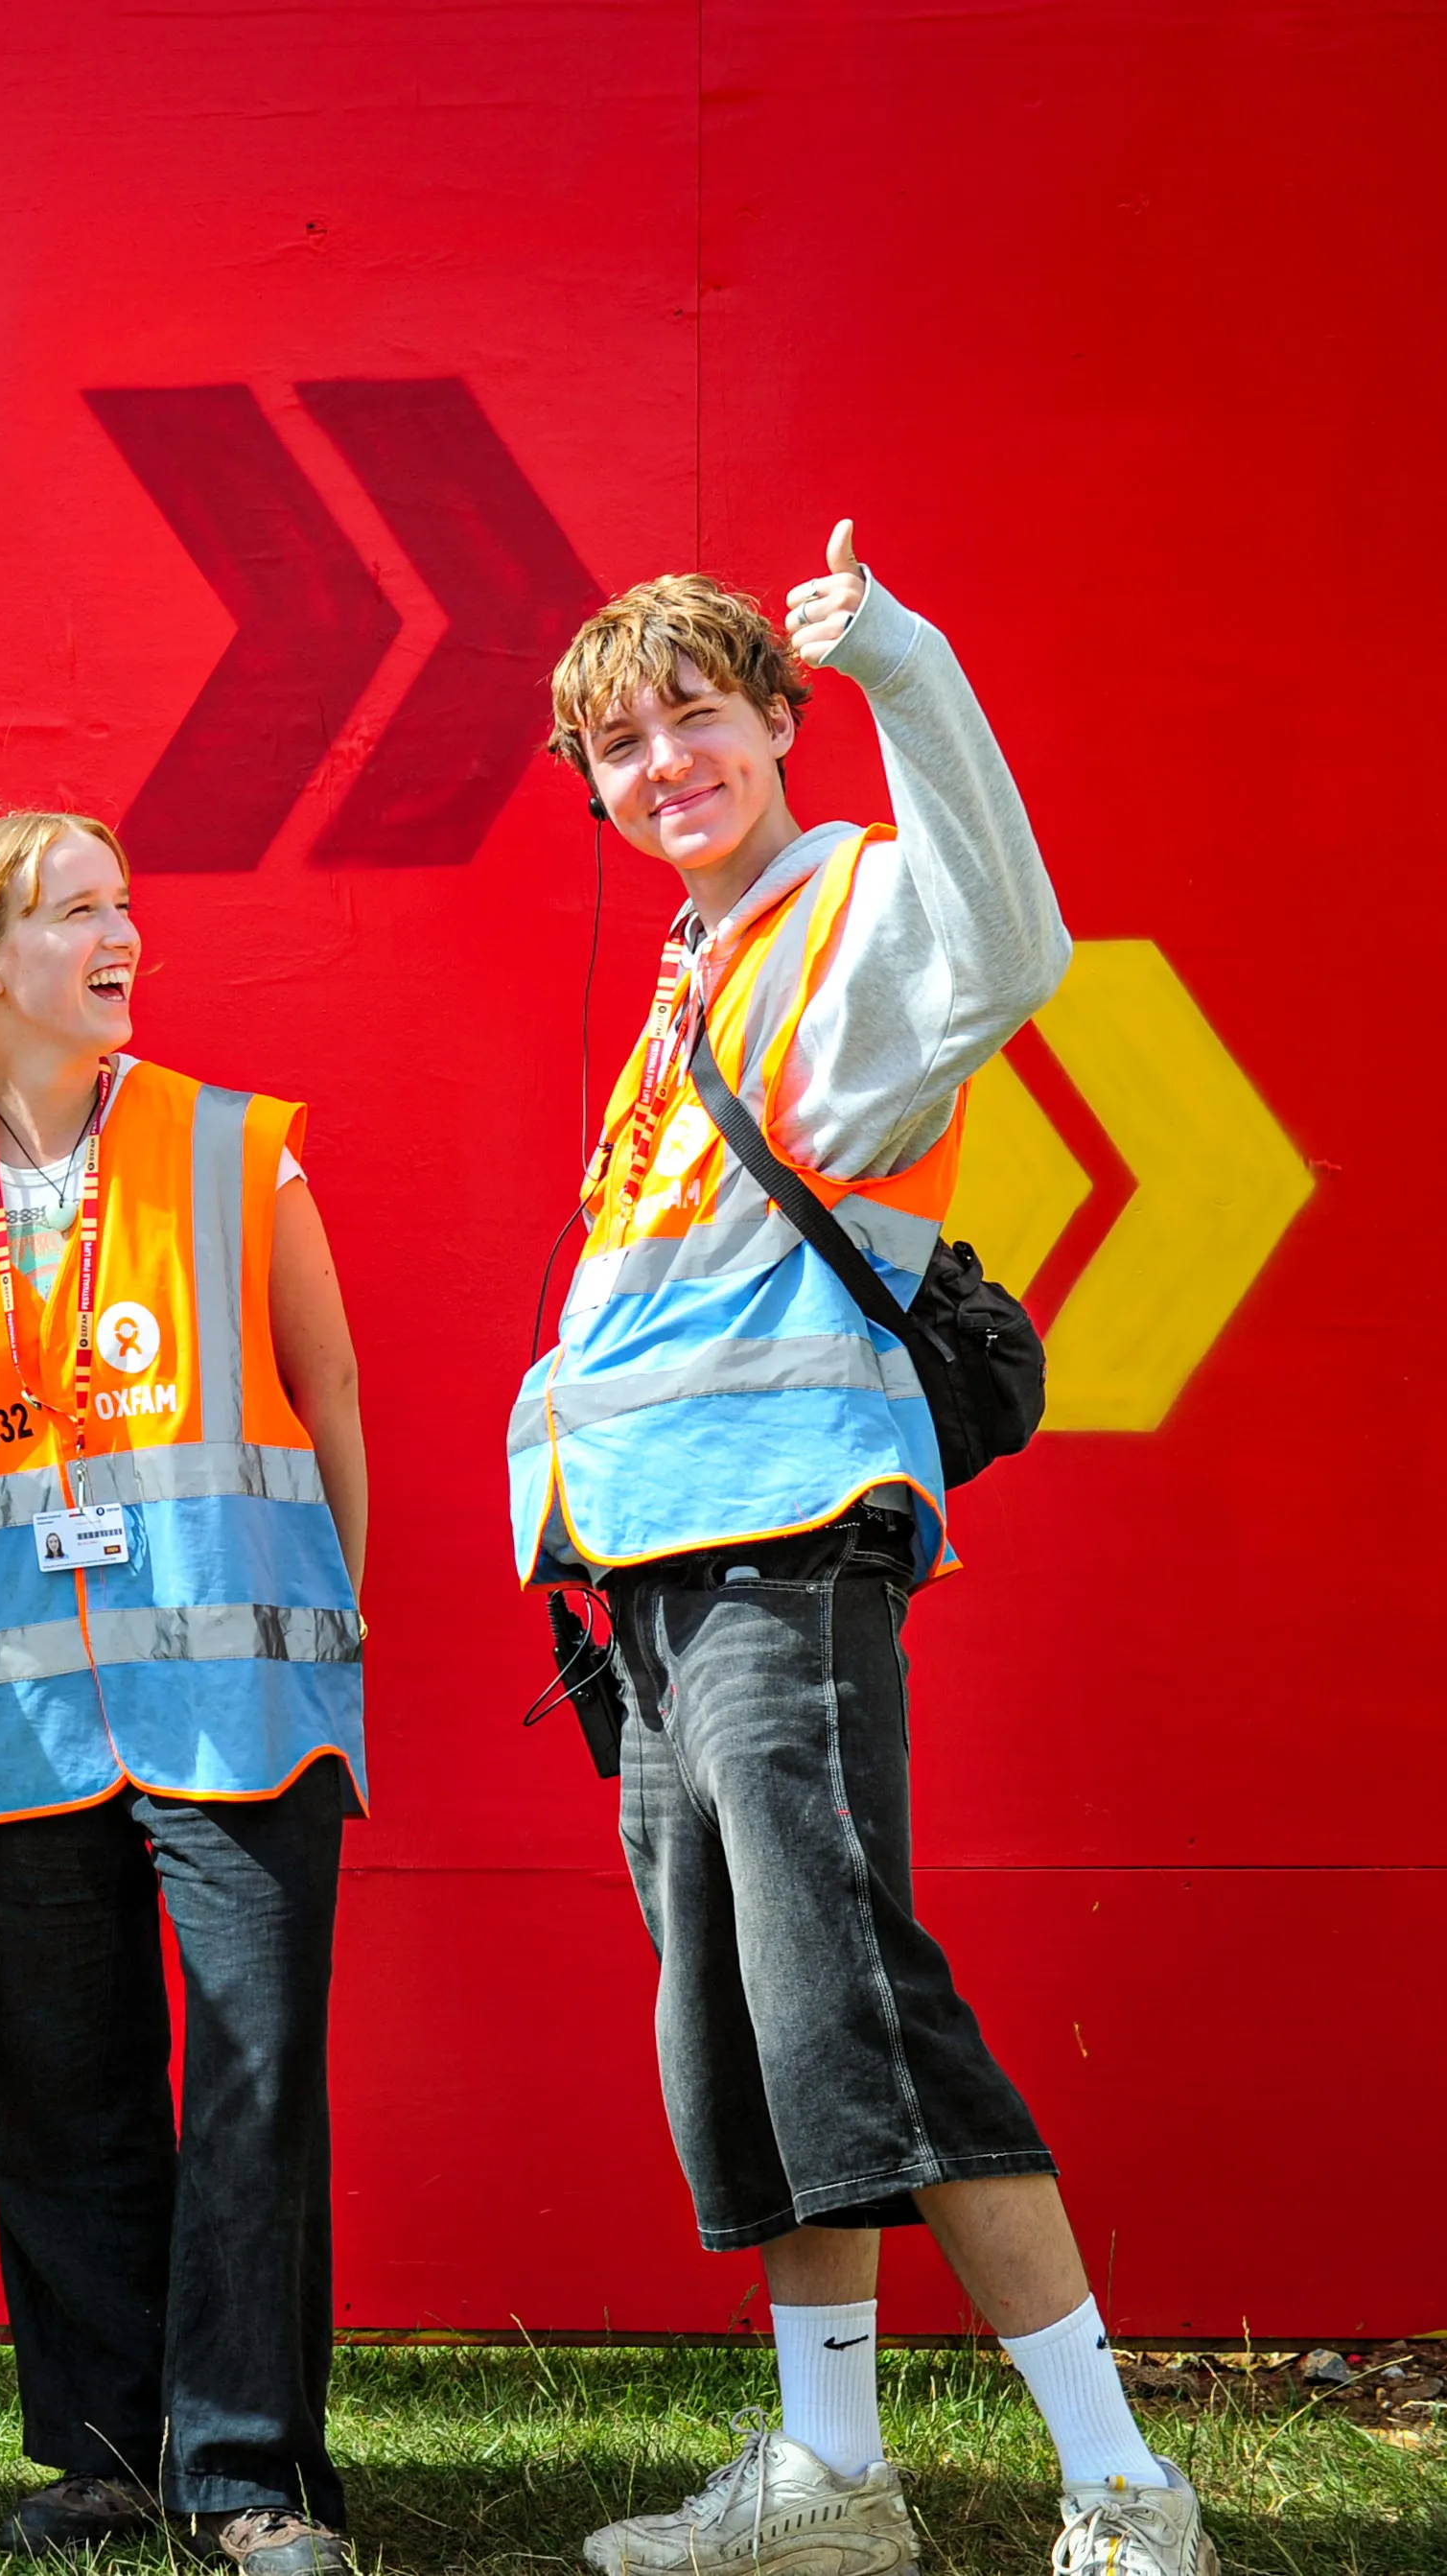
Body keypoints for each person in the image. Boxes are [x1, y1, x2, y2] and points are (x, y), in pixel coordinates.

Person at [520, 527, 1213, 2576]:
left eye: (696, 720)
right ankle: (828, 2474)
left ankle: (1121, 2483)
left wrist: (904, 663)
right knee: (741, 2015)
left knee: (848, 1999)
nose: (663, 764)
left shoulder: (846, 922)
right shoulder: (698, 967)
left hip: (775, 1548)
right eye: (621, 744)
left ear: (775, 727)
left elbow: (1005, 942)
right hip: (644, 1567)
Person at [0, 812, 370, 2569]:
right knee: (54, 2094)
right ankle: (98, 2453)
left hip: (241, 1701)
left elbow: (331, 1405)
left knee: (253, 2076)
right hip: (24, 1720)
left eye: (125, 901)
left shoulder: (235, 1152)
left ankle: (249, 2469)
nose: (121, 932)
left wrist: (329, 1631)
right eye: (76, 913)